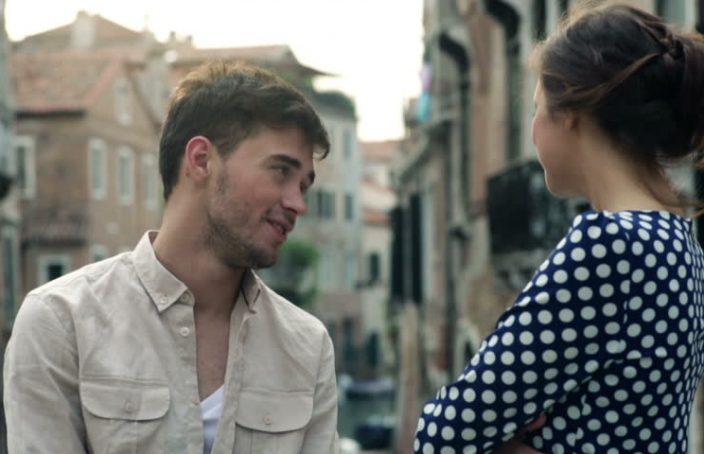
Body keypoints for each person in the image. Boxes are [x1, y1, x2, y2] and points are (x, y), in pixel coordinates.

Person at [3, 62, 339, 453]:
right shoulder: (61, 323)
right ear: (200, 160)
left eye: (304, 186)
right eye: (281, 171)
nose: (298, 204)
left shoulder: (308, 346)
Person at [414, 3, 704, 453]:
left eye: (536, 108)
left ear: (570, 110)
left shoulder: (608, 246)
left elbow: (444, 436)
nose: (531, 131)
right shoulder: (681, 244)